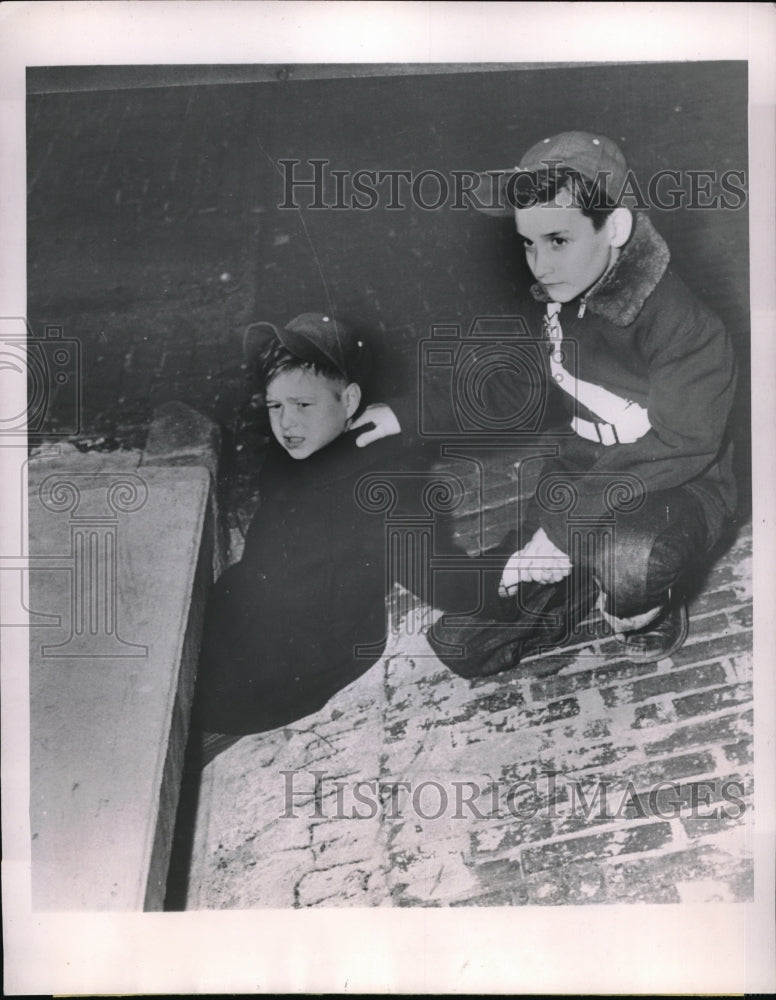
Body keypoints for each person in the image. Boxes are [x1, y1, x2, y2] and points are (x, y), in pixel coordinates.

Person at [360, 131, 738, 672]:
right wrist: (404, 411)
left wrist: (564, 532)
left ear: (616, 228)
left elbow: (682, 443)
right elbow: (512, 387)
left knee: (633, 560)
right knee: (467, 647)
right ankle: (581, 586)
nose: (539, 264)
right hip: (583, 479)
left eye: (558, 240)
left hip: (677, 487)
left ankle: (649, 607)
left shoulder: (684, 326)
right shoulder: (564, 299)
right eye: (528, 243)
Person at [193, 312, 406, 750]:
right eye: (276, 405)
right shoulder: (300, 449)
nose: (287, 423)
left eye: (304, 405)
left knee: (199, 693)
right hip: (277, 609)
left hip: (317, 646)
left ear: (348, 402)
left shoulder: (368, 485)